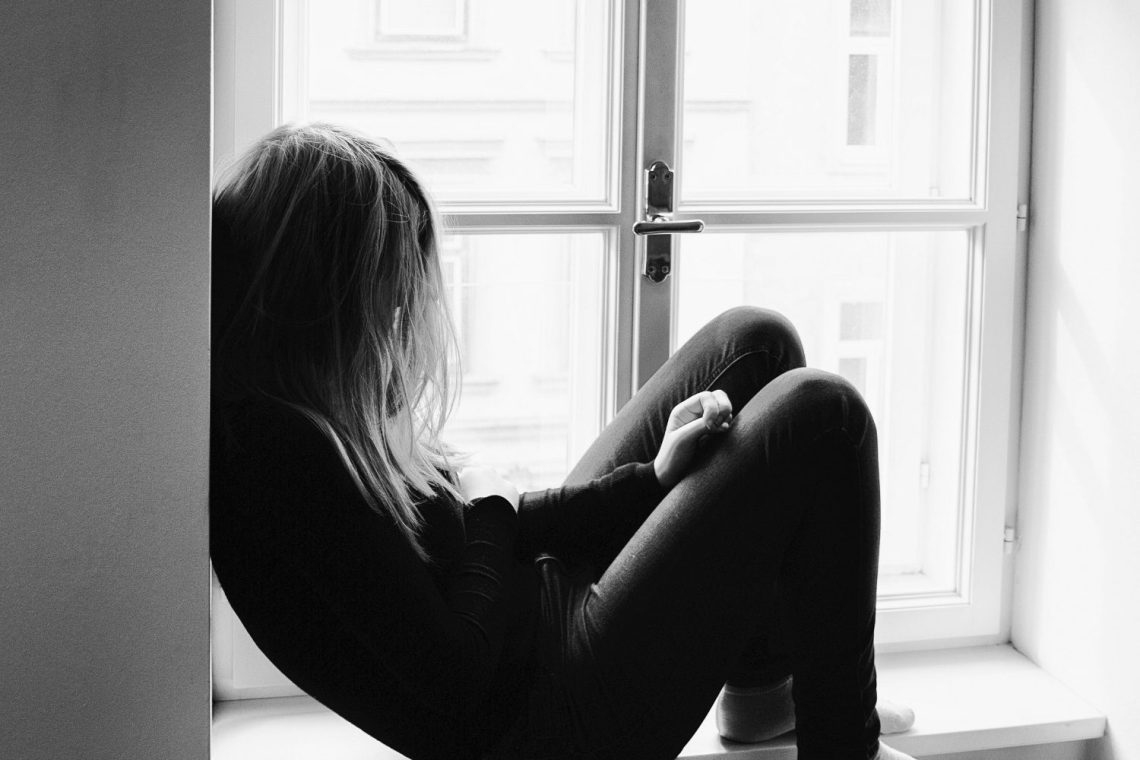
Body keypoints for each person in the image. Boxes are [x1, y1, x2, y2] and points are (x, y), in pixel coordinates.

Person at [209, 123, 916, 760]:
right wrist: (491, 507)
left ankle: (761, 692)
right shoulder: (280, 461)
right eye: (387, 297)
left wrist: (651, 478)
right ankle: (846, 746)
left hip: (545, 614)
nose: (400, 317)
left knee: (754, 342)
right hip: (557, 718)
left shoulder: (305, 412)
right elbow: (457, 673)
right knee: (825, 415)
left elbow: (483, 536)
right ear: (323, 301)